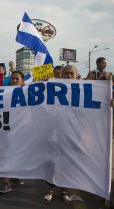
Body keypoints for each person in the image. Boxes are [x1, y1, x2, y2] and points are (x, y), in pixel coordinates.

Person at [42, 65, 79, 205]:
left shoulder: (84, 90)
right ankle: (50, 191)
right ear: (61, 75)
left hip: (74, 134)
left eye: (71, 73)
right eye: (66, 74)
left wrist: (109, 104)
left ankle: (64, 191)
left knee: (67, 163)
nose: (69, 76)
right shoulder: (54, 90)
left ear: (76, 75)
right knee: (53, 163)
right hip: (55, 134)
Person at [0, 71, 25, 194]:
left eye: (16, 79)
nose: (13, 81)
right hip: (7, 130)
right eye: (12, 79)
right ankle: (6, 183)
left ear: (22, 81)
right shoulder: (5, 93)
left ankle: (14, 174)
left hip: (22, 131)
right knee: (5, 155)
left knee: (17, 155)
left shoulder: (28, 93)